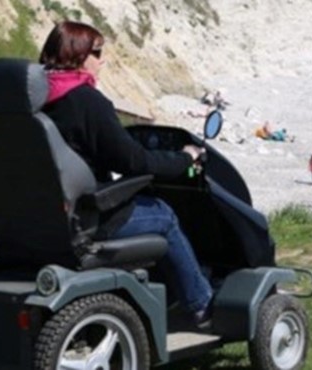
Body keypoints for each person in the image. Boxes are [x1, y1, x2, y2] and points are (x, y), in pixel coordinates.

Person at [39, 21, 214, 327]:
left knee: (144, 204)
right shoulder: (86, 101)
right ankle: (199, 302)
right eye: (97, 52)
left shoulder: (35, 101)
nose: (103, 59)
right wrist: (184, 158)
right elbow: (134, 162)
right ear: (79, 56)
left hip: (40, 220)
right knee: (163, 214)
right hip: (86, 222)